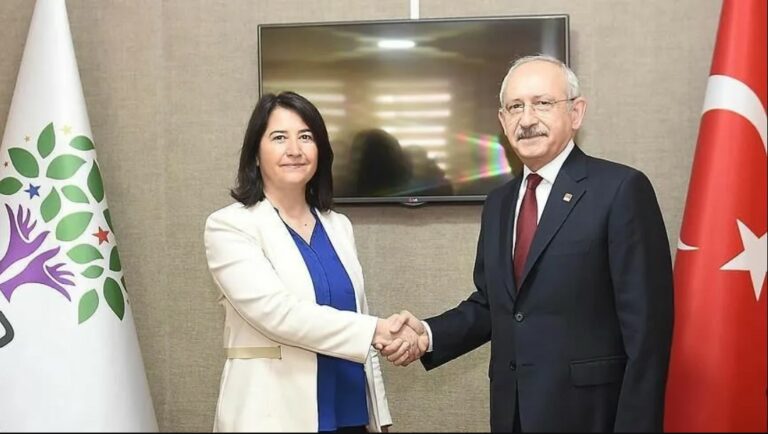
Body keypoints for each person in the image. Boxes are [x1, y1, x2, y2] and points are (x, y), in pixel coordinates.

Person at [382, 55, 674, 432]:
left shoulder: (621, 190)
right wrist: (427, 334)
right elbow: (494, 304)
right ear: (503, 121)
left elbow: (648, 334)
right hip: (513, 415)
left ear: (576, 113)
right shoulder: (499, 203)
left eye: (543, 103)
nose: (527, 118)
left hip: (591, 416)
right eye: (515, 107)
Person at [204, 91, 421, 432]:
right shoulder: (230, 226)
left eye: (306, 137)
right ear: (256, 154)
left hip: (351, 412)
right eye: (279, 137)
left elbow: (358, 313)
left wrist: (380, 416)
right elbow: (278, 313)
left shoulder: (338, 225)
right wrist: (378, 329)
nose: (295, 149)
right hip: (275, 415)